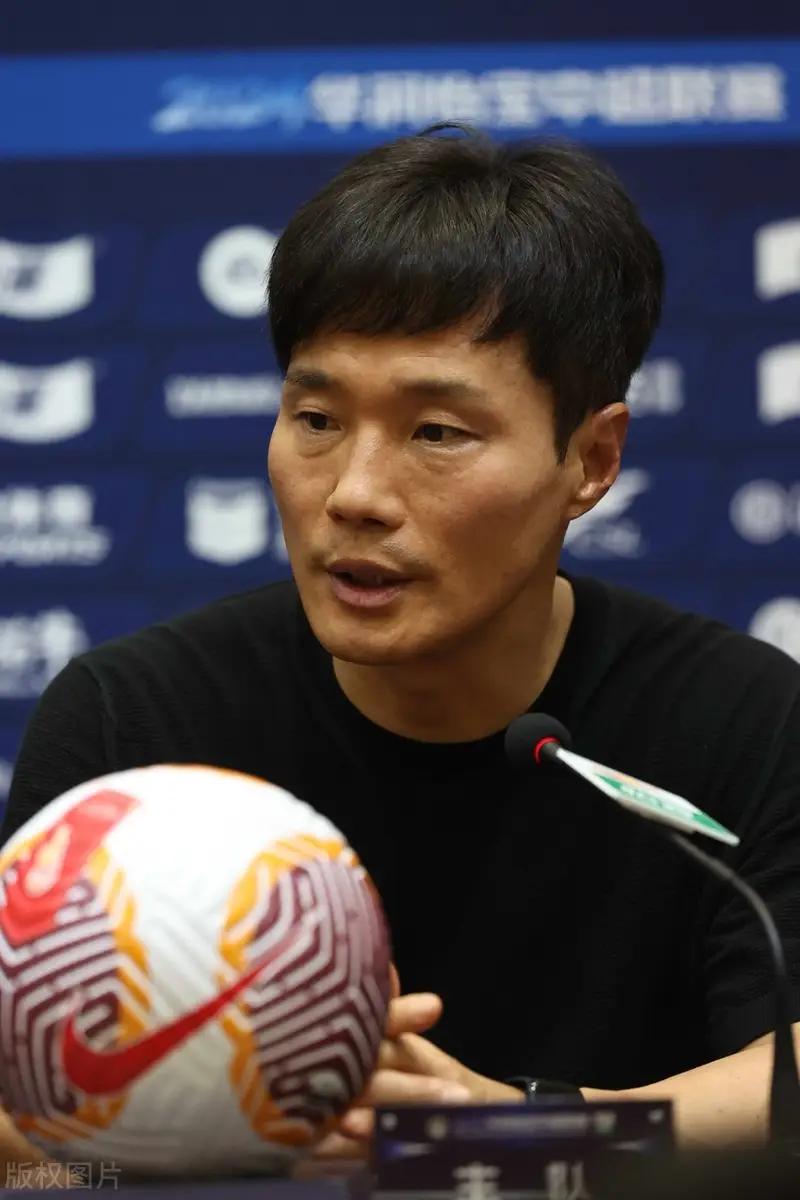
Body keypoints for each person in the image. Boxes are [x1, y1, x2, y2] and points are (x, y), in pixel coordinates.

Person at [3, 127, 800, 1164]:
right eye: (316, 418)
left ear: (591, 459)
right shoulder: (136, 722)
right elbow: (16, 1130)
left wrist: (521, 1137)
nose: (355, 494)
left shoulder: (742, 716)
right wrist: (229, 1133)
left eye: (435, 433)